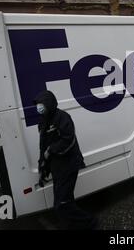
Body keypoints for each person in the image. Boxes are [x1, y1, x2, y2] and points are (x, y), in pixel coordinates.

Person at [34, 90, 97, 230]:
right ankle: (74, 226)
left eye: (41, 104)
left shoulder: (62, 117)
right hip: (57, 169)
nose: (38, 107)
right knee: (63, 203)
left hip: (69, 164)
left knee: (62, 204)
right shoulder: (43, 122)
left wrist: (51, 150)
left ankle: (91, 223)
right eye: (37, 104)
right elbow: (42, 147)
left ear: (49, 103)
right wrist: (42, 169)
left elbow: (68, 140)